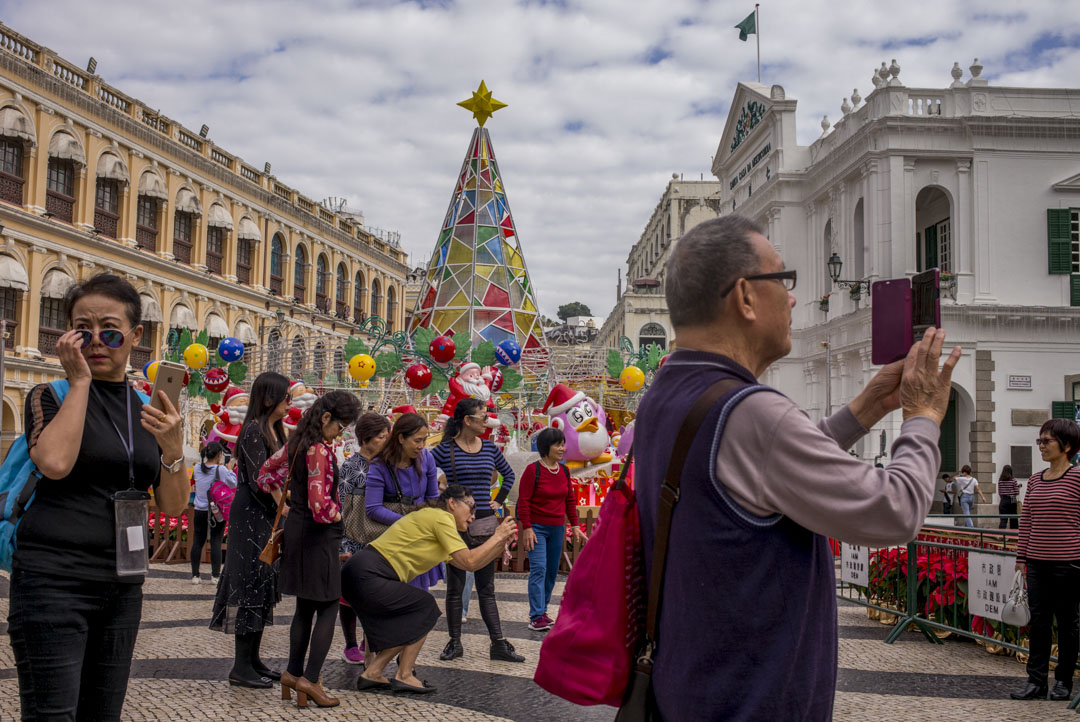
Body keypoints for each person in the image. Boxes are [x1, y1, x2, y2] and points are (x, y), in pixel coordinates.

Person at [634, 216, 960, 720]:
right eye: (782, 281)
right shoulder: (752, 411)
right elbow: (895, 511)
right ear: (744, 297)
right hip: (753, 701)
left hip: (690, 687)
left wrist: (866, 408)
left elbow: (758, 478)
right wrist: (924, 416)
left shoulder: (666, 393)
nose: (791, 298)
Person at [8, 273, 190, 720]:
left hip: (121, 585)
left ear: (135, 336)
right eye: (81, 330)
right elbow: (54, 463)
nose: (96, 342)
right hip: (52, 580)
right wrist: (81, 382)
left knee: (102, 714)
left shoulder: (148, 407)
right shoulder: (48, 396)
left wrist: (172, 448)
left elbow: (171, 505)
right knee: (53, 714)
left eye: (109, 331)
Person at [343, 485, 518, 694]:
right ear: (452, 503)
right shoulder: (441, 518)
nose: (473, 516)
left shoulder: (439, 524)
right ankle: (404, 675)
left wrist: (501, 543)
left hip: (359, 573)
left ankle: (374, 672)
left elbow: (471, 564)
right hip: (369, 572)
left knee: (415, 612)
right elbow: (470, 561)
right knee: (424, 606)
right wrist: (497, 536)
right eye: (471, 508)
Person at [260, 390, 360, 709]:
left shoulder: (296, 443)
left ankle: (292, 673)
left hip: (298, 532)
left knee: (305, 607)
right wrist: (342, 515)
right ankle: (311, 679)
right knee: (329, 605)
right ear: (326, 418)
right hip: (318, 536)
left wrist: (288, 509)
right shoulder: (318, 449)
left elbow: (265, 475)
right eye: (340, 426)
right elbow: (320, 506)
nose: (341, 433)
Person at [209, 371, 291, 688]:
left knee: (264, 584)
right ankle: (241, 666)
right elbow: (261, 479)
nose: (290, 403)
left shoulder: (275, 430)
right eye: (286, 397)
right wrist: (283, 505)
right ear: (269, 398)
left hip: (270, 513)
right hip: (253, 514)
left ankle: (254, 660)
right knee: (249, 582)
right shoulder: (254, 432)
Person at [430, 397, 523, 663]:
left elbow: (509, 474)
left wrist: (499, 498)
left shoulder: (490, 449)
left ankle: (498, 643)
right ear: (467, 421)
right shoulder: (443, 450)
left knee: (486, 587)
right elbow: (425, 472)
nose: (487, 420)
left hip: (484, 523)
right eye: (482, 416)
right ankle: (455, 642)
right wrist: (438, 497)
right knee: (455, 587)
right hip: (455, 526)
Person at [1010, 419, 1080, 702]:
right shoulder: (1036, 480)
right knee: (1038, 623)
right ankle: (1035, 681)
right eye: (1039, 441)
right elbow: (1026, 521)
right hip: (1036, 563)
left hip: (1070, 564)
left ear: (1067, 445)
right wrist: (1021, 558)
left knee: (1067, 623)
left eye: (1046, 441)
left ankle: (1063, 682)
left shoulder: (1077, 479)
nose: (1041, 446)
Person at [518, 427, 587, 631]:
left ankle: (543, 610)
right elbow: (523, 501)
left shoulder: (564, 471)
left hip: (557, 529)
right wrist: (527, 528)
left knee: (550, 572)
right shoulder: (533, 470)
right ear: (546, 447)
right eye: (558, 444)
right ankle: (536, 615)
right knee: (538, 569)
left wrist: (574, 525)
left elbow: (569, 500)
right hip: (537, 528)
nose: (562, 448)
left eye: (563, 444)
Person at [366, 413, 442, 594]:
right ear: (400, 438)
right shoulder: (379, 465)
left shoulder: (427, 458)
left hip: (419, 537)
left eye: (424, 440)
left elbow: (433, 497)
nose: (421, 446)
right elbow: (373, 508)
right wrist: (407, 523)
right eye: (417, 441)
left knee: (418, 594)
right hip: (391, 537)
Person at [337, 412, 391, 665]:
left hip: (380, 538)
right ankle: (350, 643)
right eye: (381, 437)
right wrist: (344, 540)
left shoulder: (387, 465)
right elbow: (344, 507)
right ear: (366, 438)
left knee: (374, 594)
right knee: (349, 596)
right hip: (353, 539)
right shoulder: (351, 466)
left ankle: (367, 640)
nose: (385, 441)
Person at [190, 441, 237, 583]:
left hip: (199, 509)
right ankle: (215, 576)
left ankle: (195, 575)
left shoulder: (197, 468)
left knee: (198, 540)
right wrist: (229, 469)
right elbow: (233, 483)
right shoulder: (221, 470)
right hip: (216, 510)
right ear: (219, 455)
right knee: (216, 540)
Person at [997, 465, 1021, 529]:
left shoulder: (1000, 481)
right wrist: (1017, 489)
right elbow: (1016, 492)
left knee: (1003, 520)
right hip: (1012, 499)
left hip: (1003, 500)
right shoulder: (1013, 480)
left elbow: (999, 492)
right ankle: (1013, 536)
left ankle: (1001, 535)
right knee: (1013, 519)